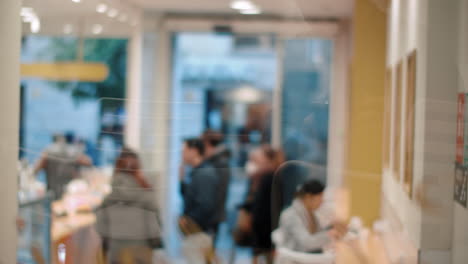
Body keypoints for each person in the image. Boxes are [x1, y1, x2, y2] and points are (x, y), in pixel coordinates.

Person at [96, 147, 162, 264]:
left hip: (116, 254)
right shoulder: (147, 196)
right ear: (138, 168)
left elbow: (100, 228)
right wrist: (156, 243)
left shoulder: (109, 200)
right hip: (142, 253)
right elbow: (156, 225)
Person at [237, 145, 284, 264]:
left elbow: (267, 209)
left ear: (267, 161)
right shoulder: (257, 179)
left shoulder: (271, 179)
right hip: (259, 232)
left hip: (267, 233)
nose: (251, 164)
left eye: (255, 160)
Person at [275, 180, 346, 253]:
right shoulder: (291, 215)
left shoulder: (309, 212)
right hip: (297, 257)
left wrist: (331, 227)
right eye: (320, 197)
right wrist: (330, 234)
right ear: (308, 197)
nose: (322, 201)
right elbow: (307, 243)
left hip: (306, 254)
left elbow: (317, 233)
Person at [180, 138, 219, 234]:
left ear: (194, 152)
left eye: (184, 151)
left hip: (200, 230)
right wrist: (181, 180)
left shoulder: (204, 173)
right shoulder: (196, 171)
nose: (182, 155)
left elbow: (205, 205)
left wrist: (188, 220)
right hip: (196, 229)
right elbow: (191, 197)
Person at [34, 133, 92, 199]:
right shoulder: (73, 151)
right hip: (69, 191)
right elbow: (88, 162)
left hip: (53, 190)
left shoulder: (47, 151)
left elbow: (36, 169)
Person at [202, 130, 231, 242]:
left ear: (207, 144)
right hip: (211, 214)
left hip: (212, 215)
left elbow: (219, 192)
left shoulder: (220, 163)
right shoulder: (213, 161)